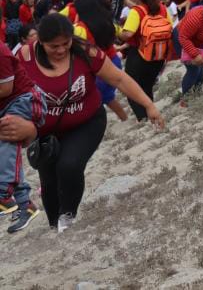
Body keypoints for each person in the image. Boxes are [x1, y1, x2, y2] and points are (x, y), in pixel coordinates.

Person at [8, 14, 163, 233]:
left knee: (69, 165)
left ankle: (68, 217)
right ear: (40, 42)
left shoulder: (86, 52)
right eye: (54, 46)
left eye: (66, 43)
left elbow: (118, 78)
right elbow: (10, 94)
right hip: (45, 132)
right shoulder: (24, 57)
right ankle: (55, 227)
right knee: (49, 182)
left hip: (86, 122)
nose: (61, 50)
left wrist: (148, 105)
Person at [0, 40, 45, 233]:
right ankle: (24, 203)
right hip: (7, 105)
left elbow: (5, 89)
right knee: (5, 148)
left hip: (26, 99)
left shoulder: (1, 52)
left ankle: (3, 192)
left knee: (6, 135)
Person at [119, 0, 174, 121]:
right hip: (159, 55)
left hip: (139, 55)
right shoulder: (162, 8)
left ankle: (143, 119)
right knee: (147, 87)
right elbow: (170, 27)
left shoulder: (137, 11)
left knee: (132, 90)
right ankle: (151, 115)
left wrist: (117, 31)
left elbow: (127, 34)